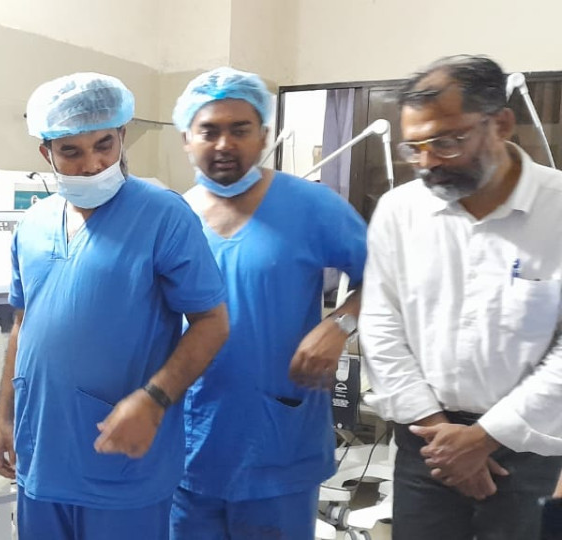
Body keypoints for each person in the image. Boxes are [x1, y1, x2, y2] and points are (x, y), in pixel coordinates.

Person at [0, 72, 230, 540]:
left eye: (104, 145)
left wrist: (155, 399)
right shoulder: (32, 224)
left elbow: (212, 322)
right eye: (71, 152)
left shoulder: (163, 215)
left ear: (122, 135)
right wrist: (3, 418)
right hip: (42, 458)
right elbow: (23, 323)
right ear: (47, 154)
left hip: (121, 466)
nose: (92, 164)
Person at [359, 54, 562, 540]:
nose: (427, 161)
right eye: (414, 147)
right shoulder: (399, 211)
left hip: (529, 448)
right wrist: (441, 436)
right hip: (426, 444)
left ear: (501, 124)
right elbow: (381, 325)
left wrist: (485, 438)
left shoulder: (555, 210)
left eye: (446, 142)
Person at [168, 67, 368, 539]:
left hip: (278, 439)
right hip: (188, 444)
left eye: (240, 129)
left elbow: (388, 276)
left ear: (263, 135)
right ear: (186, 139)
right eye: (209, 131)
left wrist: (339, 325)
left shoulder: (311, 206)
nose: (224, 144)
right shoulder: (172, 217)